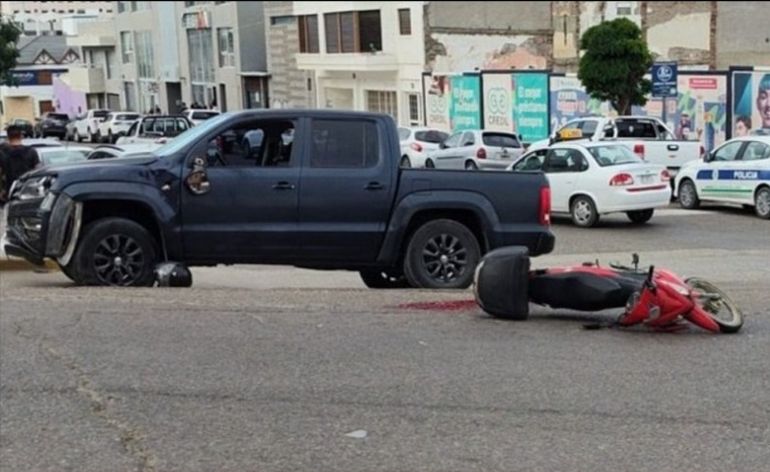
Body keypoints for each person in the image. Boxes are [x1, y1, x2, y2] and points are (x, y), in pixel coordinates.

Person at [0, 125, 41, 205]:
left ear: (8, 137)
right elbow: (38, 172)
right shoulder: (31, 152)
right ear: (21, 136)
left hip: (8, 192)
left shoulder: (2, 153)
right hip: (27, 193)